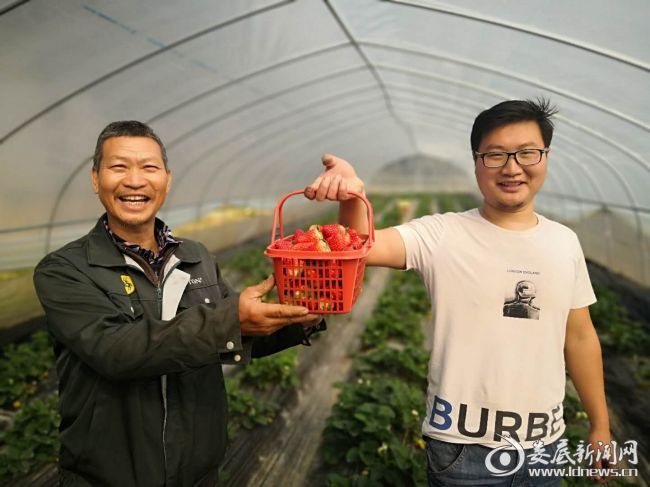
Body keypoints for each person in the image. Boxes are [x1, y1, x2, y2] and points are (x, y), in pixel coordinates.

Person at [305, 99, 611, 486]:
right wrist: (351, 193)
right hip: (463, 451)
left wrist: (600, 425)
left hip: (545, 448)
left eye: (527, 153)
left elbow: (580, 336)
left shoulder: (564, 242)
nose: (512, 167)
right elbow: (360, 245)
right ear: (476, 161)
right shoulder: (441, 234)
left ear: (545, 156)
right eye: (495, 154)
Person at [33, 121, 323, 487]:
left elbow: (233, 336)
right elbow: (115, 351)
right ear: (95, 179)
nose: (135, 181)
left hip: (198, 472)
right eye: (119, 167)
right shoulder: (65, 270)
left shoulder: (195, 255)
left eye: (149, 168)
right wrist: (229, 319)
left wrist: (302, 316)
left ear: (167, 180)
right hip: (108, 477)